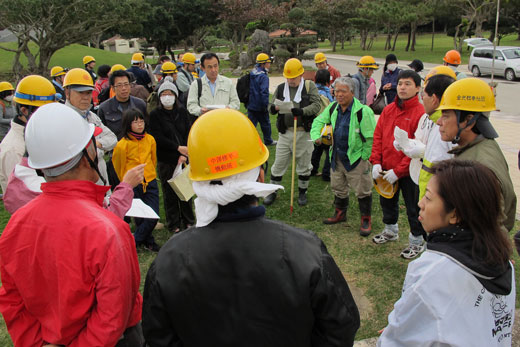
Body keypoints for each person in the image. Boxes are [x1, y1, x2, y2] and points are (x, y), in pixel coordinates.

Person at [142, 108, 360, 346]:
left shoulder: (169, 260)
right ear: (260, 177)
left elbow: (158, 337)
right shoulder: (305, 250)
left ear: (197, 181)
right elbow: (341, 328)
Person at [0, 103, 143, 346]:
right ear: (87, 153)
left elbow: (12, 301)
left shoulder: (15, 227)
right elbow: (113, 315)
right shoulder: (108, 230)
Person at [378, 159, 515, 347]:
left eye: (428, 197)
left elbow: (394, 341)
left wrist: (399, 327)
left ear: (455, 215)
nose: (420, 203)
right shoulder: (503, 262)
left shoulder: (431, 274)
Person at [436, 77, 516, 233]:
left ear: (469, 121)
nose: (439, 121)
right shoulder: (482, 147)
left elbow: (493, 230)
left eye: (446, 115)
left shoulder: (478, 167)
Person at [370, 70, 426, 259]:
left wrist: (399, 170)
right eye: (400, 83)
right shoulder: (388, 109)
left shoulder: (421, 113)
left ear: (417, 88)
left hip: (409, 170)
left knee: (413, 206)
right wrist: (376, 162)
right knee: (387, 201)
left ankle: (417, 241)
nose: (402, 87)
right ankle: (390, 230)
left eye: (408, 84)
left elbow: (417, 147)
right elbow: (378, 136)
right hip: (386, 166)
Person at [311, 77, 376, 235]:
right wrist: (316, 136)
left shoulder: (363, 111)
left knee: (363, 190)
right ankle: (340, 214)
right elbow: (318, 121)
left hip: (356, 158)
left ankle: (365, 219)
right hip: (336, 156)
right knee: (338, 186)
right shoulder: (333, 107)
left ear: (352, 93)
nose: (339, 95)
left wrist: (365, 157)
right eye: (336, 91)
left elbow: (370, 138)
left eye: (343, 91)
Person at [263, 58, 321, 206]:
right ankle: (273, 192)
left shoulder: (309, 86)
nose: (290, 81)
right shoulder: (282, 88)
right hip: (285, 132)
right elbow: (271, 104)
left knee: (304, 164)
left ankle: (302, 192)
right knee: (279, 163)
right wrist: (273, 108)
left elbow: (316, 105)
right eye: (288, 78)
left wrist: (302, 111)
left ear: (301, 75)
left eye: (293, 78)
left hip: (304, 132)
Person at [393, 66, 456, 199]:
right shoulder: (428, 117)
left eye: (424, 95)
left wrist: (422, 151)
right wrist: (407, 144)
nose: (422, 99)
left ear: (434, 98)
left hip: (438, 193)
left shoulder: (449, 126)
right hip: (422, 181)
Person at [149, 81, 195, 233]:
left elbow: (188, 132)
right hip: (166, 159)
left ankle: (189, 220)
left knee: (185, 190)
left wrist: (183, 153)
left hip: (184, 158)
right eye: (164, 94)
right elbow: (157, 137)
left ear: (175, 96)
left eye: (170, 94)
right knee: (169, 192)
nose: (167, 97)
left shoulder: (182, 112)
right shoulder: (155, 115)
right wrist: (177, 149)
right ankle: (173, 223)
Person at [0, 75, 59, 192]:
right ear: (24, 110)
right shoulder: (14, 149)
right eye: (43, 110)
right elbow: (20, 197)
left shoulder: (37, 135)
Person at [112, 108, 160, 251]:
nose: (140, 125)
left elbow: (153, 159)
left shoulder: (150, 139)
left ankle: (133, 241)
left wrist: (149, 173)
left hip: (149, 180)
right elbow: (118, 165)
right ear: (128, 124)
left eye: (141, 121)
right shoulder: (122, 145)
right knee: (140, 216)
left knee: (153, 214)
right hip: (134, 184)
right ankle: (148, 241)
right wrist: (126, 182)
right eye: (135, 122)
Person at [63, 68, 117, 184]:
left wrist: (97, 144)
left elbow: (112, 138)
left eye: (88, 92)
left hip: (101, 180)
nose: (86, 97)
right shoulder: (63, 119)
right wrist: (98, 147)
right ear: (67, 92)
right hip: (80, 183)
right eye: (80, 92)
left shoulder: (91, 116)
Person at [98, 69, 147, 139]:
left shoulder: (140, 104)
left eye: (126, 84)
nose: (124, 88)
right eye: (119, 85)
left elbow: (147, 128)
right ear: (113, 88)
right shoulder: (104, 108)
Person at [187, 52, 240, 117]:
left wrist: (228, 108)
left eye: (215, 66)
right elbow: (191, 105)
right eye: (209, 67)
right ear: (203, 68)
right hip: (205, 122)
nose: (213, 70)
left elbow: (236, 103)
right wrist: (200, 110)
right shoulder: (196, 85)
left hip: (225, 120)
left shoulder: (228, 82)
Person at [248, 53, 276, 146]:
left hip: (251, 104)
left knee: (250, 125)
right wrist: (266, 105)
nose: (269, 64)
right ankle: (268, 140)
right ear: (263, 64)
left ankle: (248, 141)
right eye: (268, 62)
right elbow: (264, 92)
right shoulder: (263, 76)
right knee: (265, 124)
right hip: (260, 106)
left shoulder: (252, 72)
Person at [310, 68, 332, 181]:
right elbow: (332, 106)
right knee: (329, 151)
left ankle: (313, 170)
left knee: (316, 149)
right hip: (326, 126)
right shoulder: (327, 92)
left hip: (315, 124)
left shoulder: (312, 90)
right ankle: (327, 174)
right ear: (328, 80)